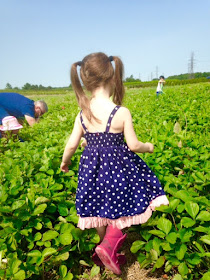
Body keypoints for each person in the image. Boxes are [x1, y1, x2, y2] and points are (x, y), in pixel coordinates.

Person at [60, 52, 169, 275]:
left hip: (92, 172)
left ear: (85, 80)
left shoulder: (83, 114)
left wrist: (65, 161)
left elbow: (71, 144)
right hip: (118, 172)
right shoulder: (121, 112)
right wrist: (148, 146)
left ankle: (104, 245)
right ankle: (110, 246)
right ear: (113, 77)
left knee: (99, 208)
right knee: (120, 206)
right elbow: (133, 145)